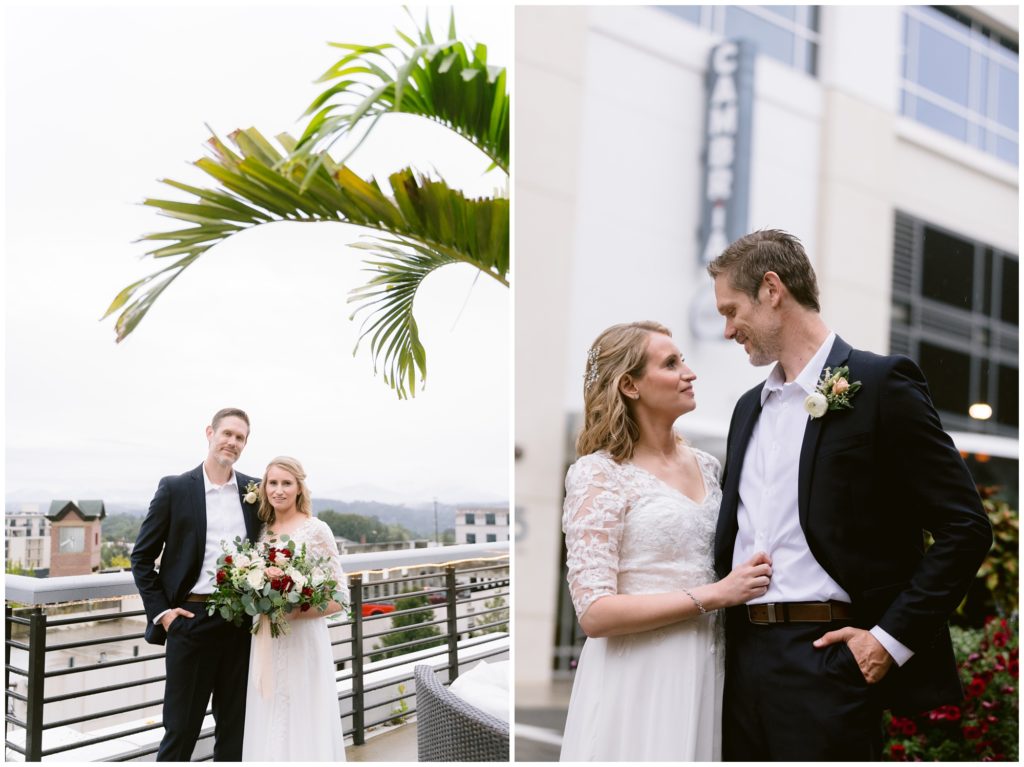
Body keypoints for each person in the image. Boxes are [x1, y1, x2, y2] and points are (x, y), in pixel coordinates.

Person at [708, 229, 993, 761]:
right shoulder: (748, 408)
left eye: (731, 310)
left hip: (828, 663)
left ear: (772, 289)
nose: (727, 330)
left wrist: (886, 641)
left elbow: (966, 527)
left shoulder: (882, 385)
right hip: (739, 661)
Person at [559, 321, 773, 761]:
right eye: (671, 363)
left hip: (708, 667)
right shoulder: (599, 474)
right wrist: (716, 594)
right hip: (637, 675)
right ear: (629, 385)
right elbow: (595, 613)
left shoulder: (708, 465)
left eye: (684, 360)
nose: (689, 372)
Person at [131, 408, 261, 761]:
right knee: (180, 729)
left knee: (236, 730)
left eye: (240, 438)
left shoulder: (255, 491)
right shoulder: (174, 488)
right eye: (228, 434)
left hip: (241, 624)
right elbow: (141, 558)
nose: (232, 442)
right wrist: (164, 615)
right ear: (210, 433)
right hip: (190, 619)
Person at [242, 456, 349, 761]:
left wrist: (295, 609)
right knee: (269, 712)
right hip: (266, 640)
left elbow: (339, 596)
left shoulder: (317, 530)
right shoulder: (262, 531)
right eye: (272, 483)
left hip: (303, 641)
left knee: (303, 716)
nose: (279, 490)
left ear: (299, 488)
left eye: (286, 483)